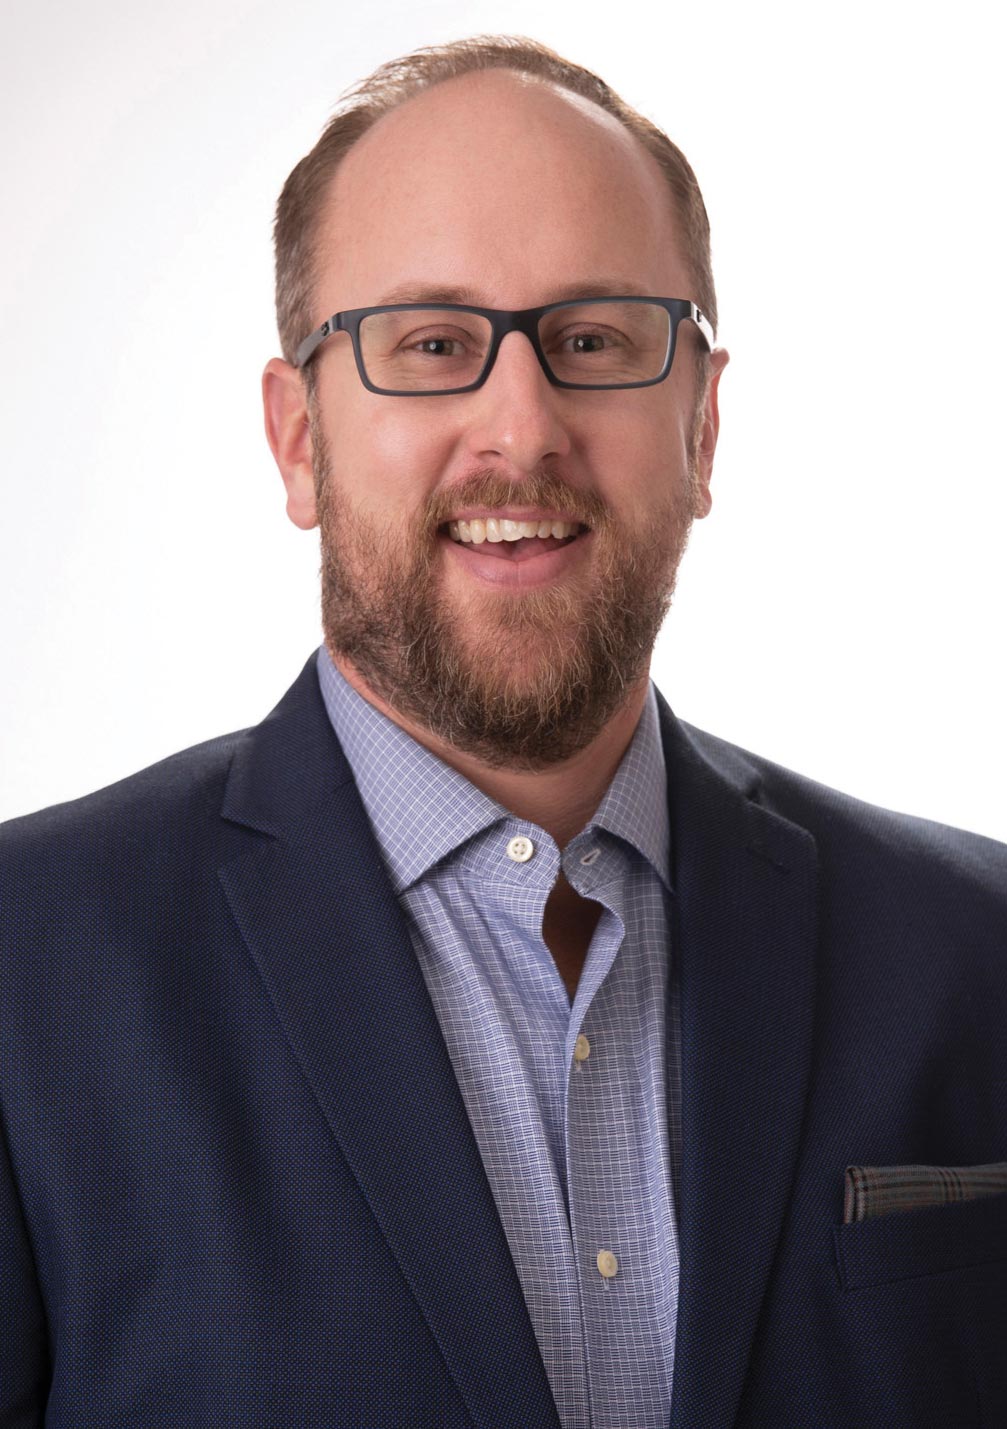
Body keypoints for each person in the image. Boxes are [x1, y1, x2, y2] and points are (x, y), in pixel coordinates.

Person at [1, 34, 1005, 1429]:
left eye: (592, 339)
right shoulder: (25, 972)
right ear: (300, 439)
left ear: (702, 425)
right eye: (431, 345)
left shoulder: (977, 951)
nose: (520, 429)